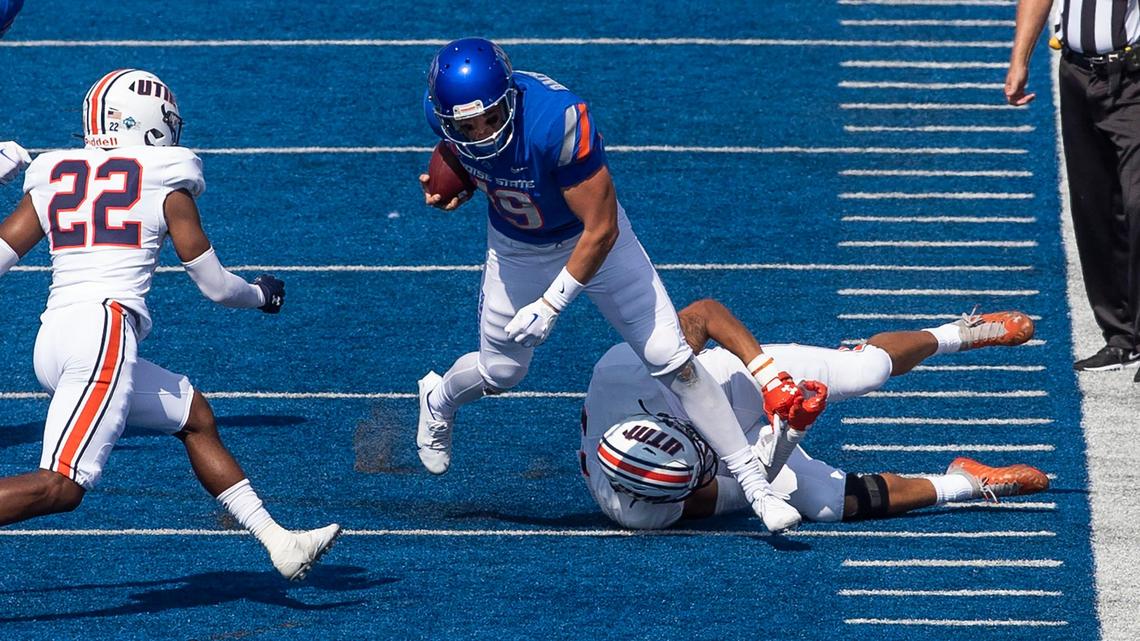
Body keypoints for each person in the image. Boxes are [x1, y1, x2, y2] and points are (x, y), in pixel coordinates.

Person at [416, 37, 813, 532]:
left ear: (511, 99)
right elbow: (479, 158)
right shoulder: (451, 120)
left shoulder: (556, 119)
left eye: (490, 120)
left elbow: (600, 228)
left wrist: (551, 303)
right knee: (502, 373)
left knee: (671, 358)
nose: (479, 133)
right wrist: (462, 185)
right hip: (517, 248)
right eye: (465, 126)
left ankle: (754, 484)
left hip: (595, 241)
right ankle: (439, 397)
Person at [0, 69, 339, 580]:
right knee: (61, 487)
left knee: (193, 415)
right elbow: (216, 286)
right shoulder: (166, 181)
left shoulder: (55, 175)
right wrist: (261, 295)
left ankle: (279, 541)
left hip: (53, 339)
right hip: (103, 335)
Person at [581, 299, 1046, 529]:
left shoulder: (624, 369)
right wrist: (786, 436)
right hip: (723, 456)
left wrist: (768, 378)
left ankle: (957, 333)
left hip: (723, 383)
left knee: (863, 372)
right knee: (826, 504)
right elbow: (746, 494)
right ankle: (965, 482)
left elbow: (704, 313)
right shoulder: (640, 508)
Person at [1006, 0, 1140, 377]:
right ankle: (1121, 337)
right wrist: (1020, 59)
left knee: (1138, 202)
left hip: (1134, 75)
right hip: (1078, 74)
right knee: (1093, 205)